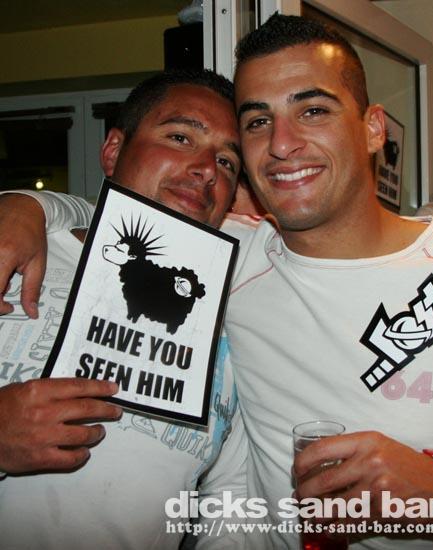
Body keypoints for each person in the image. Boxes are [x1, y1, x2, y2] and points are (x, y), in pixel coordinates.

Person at [2, 15, 433, 549]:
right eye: (259, 122)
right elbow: (118, 214)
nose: (282, 144)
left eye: (313, 110)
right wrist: (28, 205)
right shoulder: (223, 263)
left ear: (374, 129)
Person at [0, 68, 248, 549]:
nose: (207, 169)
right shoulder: (17, 252)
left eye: (226, 161)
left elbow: (229, 498)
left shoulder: (232, 318)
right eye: (180, 137)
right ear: (113, 151)